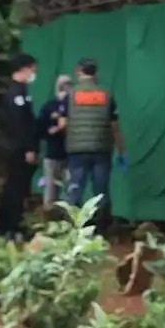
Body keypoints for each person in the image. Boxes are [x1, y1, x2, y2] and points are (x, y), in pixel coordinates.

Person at [62, 57, 125, 230]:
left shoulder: (71, 95)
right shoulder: (106, 95)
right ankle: (103, 228)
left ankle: (73, 228)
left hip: (77, 150)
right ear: (95, 73)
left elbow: (63, 123)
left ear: (78, 71)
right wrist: (121, 151)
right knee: (101, 189)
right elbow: (115, 127)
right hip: (101, 149)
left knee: (75, 187)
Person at [0, 53, 39, 242]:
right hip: (17, 149)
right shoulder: (16, 93)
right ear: (24, 69)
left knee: (16, 187)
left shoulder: (21, 91)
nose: (34, 73)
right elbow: (19, 124)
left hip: (14, 147)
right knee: (16, 188)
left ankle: (11, 225)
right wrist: (28, 148)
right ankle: (10, 228)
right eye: (32, 69)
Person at [37, 74, 71, 206]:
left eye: (69, 85)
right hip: (53, 154)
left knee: (69, 189)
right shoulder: (49, 106)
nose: (66, 88)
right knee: (51, 189)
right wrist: (53, 130)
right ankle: (49, 219)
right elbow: (41, 127)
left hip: (71, 153)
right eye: (63, 85)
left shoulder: (74, 106)